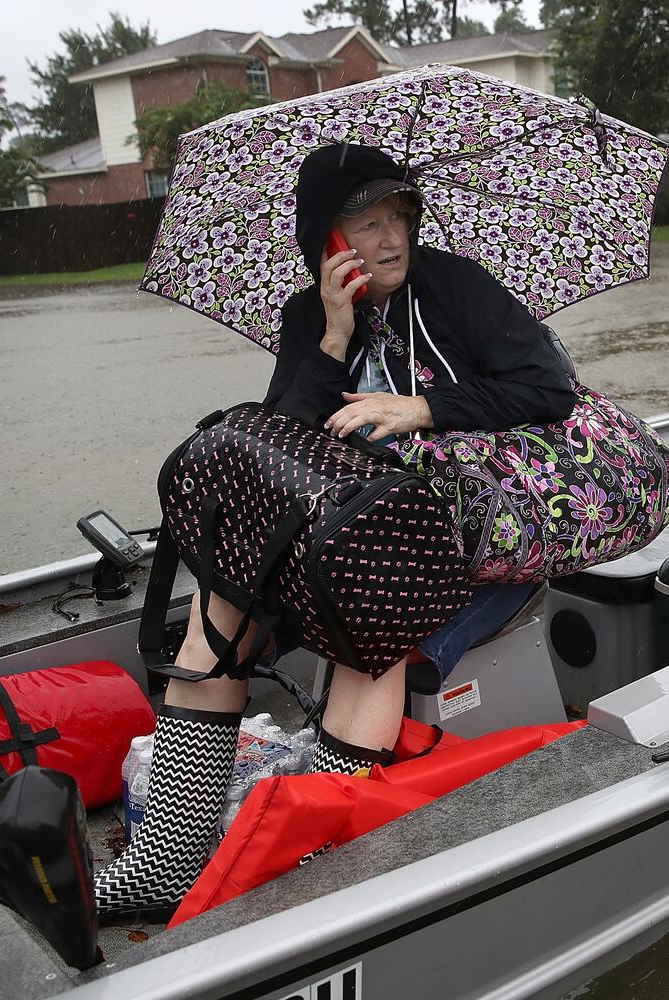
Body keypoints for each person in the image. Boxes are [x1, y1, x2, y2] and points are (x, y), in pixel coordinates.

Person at [93, 143, 576, 918]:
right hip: (348, 534)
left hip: (471, 536)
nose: (390, 241)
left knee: (374, 622)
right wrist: (330, 334)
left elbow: (547, 389)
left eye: (398, 219)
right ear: (324, 239)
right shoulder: (305, 314)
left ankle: (303, 861)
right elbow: (285, 439)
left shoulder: (455, 287)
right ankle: (168, 862)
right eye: (365, 224)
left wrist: (421, 409)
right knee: (218, 616)